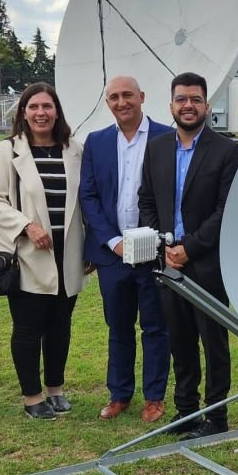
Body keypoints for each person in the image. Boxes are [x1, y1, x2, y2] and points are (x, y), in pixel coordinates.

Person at [138, 72, 238, 440]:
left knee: (213, 342)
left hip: (207, 263)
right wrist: (163, 244)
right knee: (179, 340)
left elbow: (225, 210)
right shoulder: (157, 148)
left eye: (195, 99)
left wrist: (190, 247)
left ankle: (216, 416)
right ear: (171, 105)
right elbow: (147, 201)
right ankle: (186, 412)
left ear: (206, 106)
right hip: (168, 263)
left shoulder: (227, 151)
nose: (188, 105)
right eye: (181, 99)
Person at [0, 83, 89, 419]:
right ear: (24, 113)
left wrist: (91, 246)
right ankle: (32, 397)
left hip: (67, 254)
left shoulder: (74, 150)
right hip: (29, 255)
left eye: (47, 106)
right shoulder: (10, 151)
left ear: (57, 111)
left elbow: (87, 200)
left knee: (60, 326)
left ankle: (55, 389)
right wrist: (27, 226)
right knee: (28, 329)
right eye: (33, 107)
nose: (40, 113)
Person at [79, 76, 173, 422]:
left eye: (128, 95)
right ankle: (119, 394)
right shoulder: (97, 142)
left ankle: (154, 397)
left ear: (142, 97)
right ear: (108, 103)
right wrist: (113, 241)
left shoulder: (166, 137)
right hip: (112, 253)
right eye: (114, 97)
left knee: (155, 326)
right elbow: (88, 196)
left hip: (153, 253)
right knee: (118, 326)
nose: (122, 102)